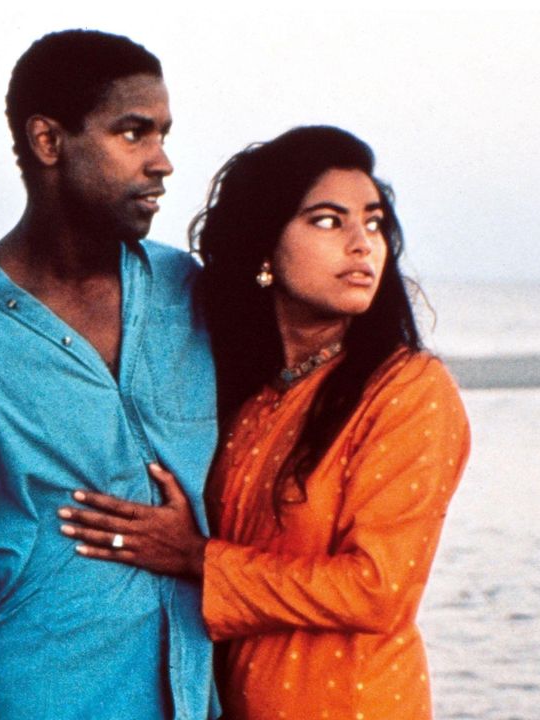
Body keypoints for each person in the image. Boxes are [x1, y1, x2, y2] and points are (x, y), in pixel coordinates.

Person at [60, 126, 471, 720]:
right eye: (329, 221)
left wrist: (198, 558)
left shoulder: (408, 391)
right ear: (265, 249)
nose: (363, 244)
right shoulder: (250, 395)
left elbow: (379, 589)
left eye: (374, 222)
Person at [0, 30, 220, 720]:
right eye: (133, 133)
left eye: (164, 134)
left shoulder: (188, 297)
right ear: (47, 141)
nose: (163, 163)